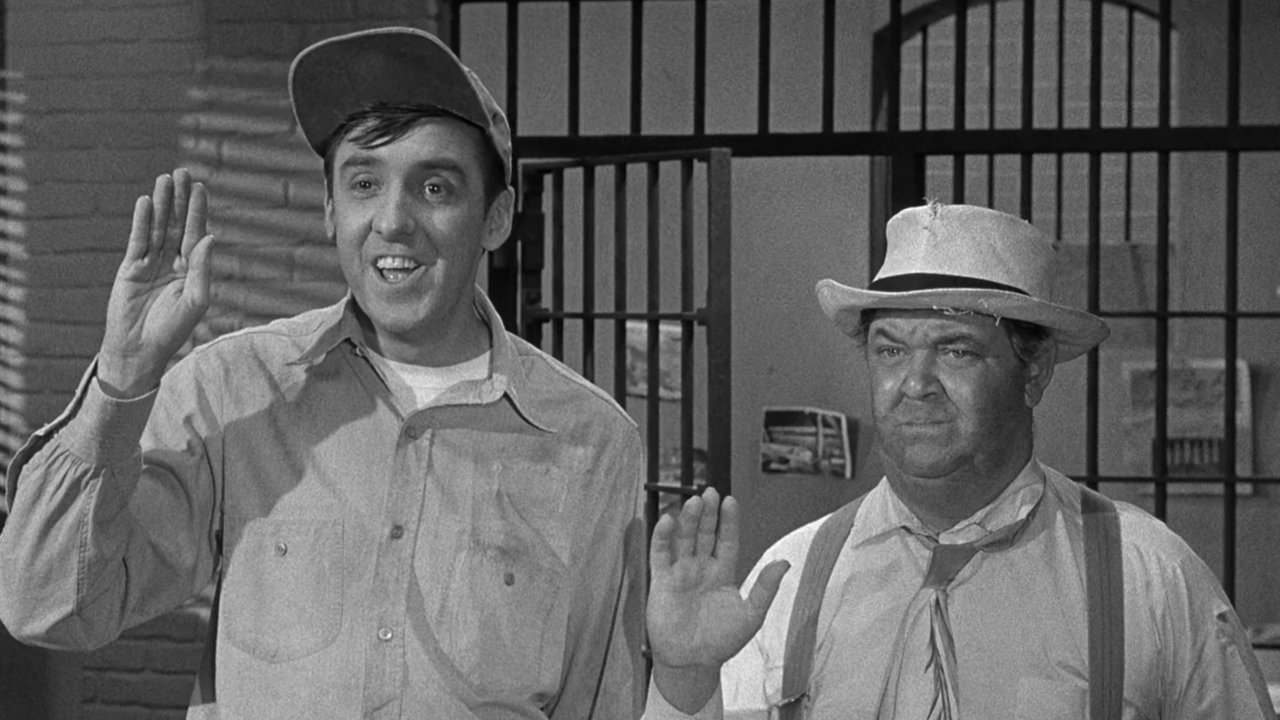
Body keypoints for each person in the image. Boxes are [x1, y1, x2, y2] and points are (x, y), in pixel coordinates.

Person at [0, 27, 646, 719]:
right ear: (332, 210)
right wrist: (121, 381)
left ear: (495, 218)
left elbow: (601, 704)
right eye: (364, 183)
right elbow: (46, 605)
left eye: (435, 187)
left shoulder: (591, 441)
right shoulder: (236, 389)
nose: (393, 221)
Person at [642, 202, 1275, 719]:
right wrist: (684, 682)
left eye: (956, 351)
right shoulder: (792, 577)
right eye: (890, 351)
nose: (915, 384)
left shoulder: (1150, 578)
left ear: (1034, 371)